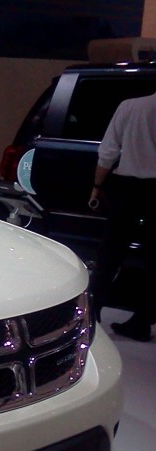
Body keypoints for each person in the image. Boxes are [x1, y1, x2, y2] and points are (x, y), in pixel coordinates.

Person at [88, 91, 156, 342]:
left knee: (110, 253)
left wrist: (97, 185)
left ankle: (92, 314)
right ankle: (142, 321)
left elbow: (108, 150)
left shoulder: (130, 106)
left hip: (127, 187)